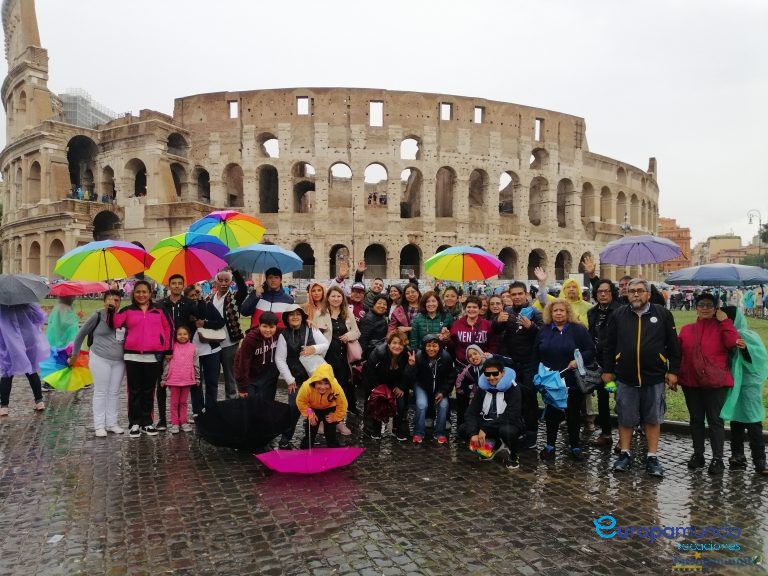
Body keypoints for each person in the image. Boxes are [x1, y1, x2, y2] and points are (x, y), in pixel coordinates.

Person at [603, 278, 681, 477]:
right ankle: (625, 453)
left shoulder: (662, 314)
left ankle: (652, 456)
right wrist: (607, 369)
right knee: (625, 417)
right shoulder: (619, 314)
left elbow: (673, 346)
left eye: (639, 291)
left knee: (653, 418)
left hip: (653, 376)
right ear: (626, 294)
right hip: (625, 376)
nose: (635, 294)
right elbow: (609, 345)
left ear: (648, 293)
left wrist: (673, 370)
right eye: (631, 291)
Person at [677, 293, 740, 475]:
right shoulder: (687, 329)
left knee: (715, 421)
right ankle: (698, 454)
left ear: (715, 309)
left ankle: (717, 458)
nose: (705, 308)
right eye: (701, 305)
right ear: (696, 307)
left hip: (716, 382)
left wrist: (725, 321)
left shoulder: (722, 328)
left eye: (709, 305)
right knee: (696, 420)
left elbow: (731, 343)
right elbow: (679, 353)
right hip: (691, 381)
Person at [533, 299, 595, 462]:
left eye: (562, 310)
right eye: (555, 311)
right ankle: (550, 446)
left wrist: (578, 359)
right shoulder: (544, 330)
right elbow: (536, 353)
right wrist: (537, 375)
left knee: (573, 414)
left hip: (572, 380)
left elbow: (590, 350)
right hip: (551, 381)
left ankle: (575, 446)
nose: (558, 313)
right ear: (550, 313)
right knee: (552, 414)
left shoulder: (578, 330)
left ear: (568, 312)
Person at [111, 280, 172, 437]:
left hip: (153, 355)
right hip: (132, 355)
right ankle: (135, 423)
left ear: (150, 293)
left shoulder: (159, 309)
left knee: (149, 390)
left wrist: (168, 349)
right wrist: (112, 310)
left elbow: (169, 328)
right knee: (134, 390)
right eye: (138, 292)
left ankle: (147, 422)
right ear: (133, 293)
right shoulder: (127, 310)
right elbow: (115, 323)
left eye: (144, 292)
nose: (141, 295)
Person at [720, 306, 768, 475]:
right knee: (736, 421)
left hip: (749, 385)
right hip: (733, 384)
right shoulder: (724, 333)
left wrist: (745, 348)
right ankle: (737, 455)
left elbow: (760, 357)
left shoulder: (748, 335)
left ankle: (760, 460)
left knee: (753, 422)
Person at [71, 290, 125, 436]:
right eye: (110, 299)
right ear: (104, 301)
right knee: (101, 391)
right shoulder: (98, 315)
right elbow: (80, 334)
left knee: (114, 392)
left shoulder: (122, 316)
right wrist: (75, 354)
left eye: (116, 300)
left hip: (119, 360)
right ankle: (99, 425)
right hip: (100, 357)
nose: (113, 302)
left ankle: (112, 423)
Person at [275, 304, 329, 449]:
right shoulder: (283, 335)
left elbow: (325, 344)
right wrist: (289, 379)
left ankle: (309, 439)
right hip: (296, 380)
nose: (295, 317)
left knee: (316, 409)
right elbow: (279, 359)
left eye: (298, 314)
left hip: (315, 377)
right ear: (287, 318)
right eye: (291, 314)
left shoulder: (311, 328)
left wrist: (313, 348)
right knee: (293, 409)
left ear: (302, 316)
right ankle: (286, 438)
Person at [499, 281, 543, 449]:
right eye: (513, 294)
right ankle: (517, 429)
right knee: (515, 399)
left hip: (530, 364)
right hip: (512, 364)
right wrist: (498, 322)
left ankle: (531, 434)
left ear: (526, 294)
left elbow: (542, 336)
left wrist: (531, 327)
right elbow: (497, 333)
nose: (516, 297)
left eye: (519, 294)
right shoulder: (508, 312)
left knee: (530, 399)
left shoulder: (536, 313)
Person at [459, 357, 523, 470]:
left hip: (506, 423)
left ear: (502, 373)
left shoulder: (514, 388)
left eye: (495, 374)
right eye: (487, 374)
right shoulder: (483, 388)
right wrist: (473, 433)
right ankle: (493, 445)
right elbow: (471, 412)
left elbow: (511, 415)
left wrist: (484, 429)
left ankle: (513, 455)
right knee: (464, 429)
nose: (491, 377)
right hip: (487, 422)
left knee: (507, 431)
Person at [313, 286, 361, 430]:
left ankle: (338, 420)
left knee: (339, 390)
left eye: (339, 296)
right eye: (333, 296)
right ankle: (321, 420)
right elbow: (313, 334)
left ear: (343, 298)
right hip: (325, 358)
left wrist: (348, 336)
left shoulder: (347, 313)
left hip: (342, 358)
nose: (336, 299)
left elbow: (357, 332)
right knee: (322, 388)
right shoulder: (320, 313)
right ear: (328, 298)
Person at [156, 273, 198, 431]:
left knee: (183, 384)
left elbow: (200, 317)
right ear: (169, 285)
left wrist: (199, 299)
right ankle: (162, 419)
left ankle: (183, 419)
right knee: (162, 382)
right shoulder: (160, 304)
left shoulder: (189, 303)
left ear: (183, 285)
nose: (177, 286)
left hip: (183, 348)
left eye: (180, 283)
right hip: (164, 347)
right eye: (174, 283)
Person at [586, 279, 621, 448]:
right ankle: (606, 433)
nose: (603, 294)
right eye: (600, 291)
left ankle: (625, 435)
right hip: (600, 364)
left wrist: (593, 276)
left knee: (620, 399)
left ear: (612, 293)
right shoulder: (592, 312)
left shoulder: (620, 310)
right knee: (603, 399)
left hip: (617, 365)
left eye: (607, 291)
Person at [0, 303, 49, 415]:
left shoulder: (2, 305)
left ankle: (4, 406)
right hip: (28, 340)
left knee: (7, 372)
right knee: (31, 370)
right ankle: (39, 401)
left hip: (9, 343)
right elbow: (39, 317)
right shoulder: (26, 303)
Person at [362, 329, 410, 440]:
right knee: (378, 400)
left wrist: (402, 385)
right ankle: (376, 428)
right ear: (388, 343)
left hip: (396, 383)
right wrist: (376, 389)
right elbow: (370, 373)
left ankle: (397, 428)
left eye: (400, 344)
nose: (397, 346)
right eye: (394, 343)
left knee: (401, 403)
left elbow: (409, 376)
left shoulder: (408, 354)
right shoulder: (378, 353)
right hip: (377, 381)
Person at [209, 269, 248, 401]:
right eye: (221, 280)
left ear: (231, 282)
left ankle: (231, 402)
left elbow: (243, 289)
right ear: (216, 282)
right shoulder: (209, 298)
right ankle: (211, 404)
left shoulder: (234, 298)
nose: (223, 283)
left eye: (227, 281)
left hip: (229, 344)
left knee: (230, 376)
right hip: (213, 343)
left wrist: (236, 272)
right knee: (212, 376)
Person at [406, 334, 453, 444]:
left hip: (440, 387)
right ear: (424, 346)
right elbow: (410, 378)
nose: (431, 349)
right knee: (422, 404)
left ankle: (440, 433)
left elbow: (451, 377)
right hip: (422, 385)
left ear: (439, 346)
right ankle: (418, 432)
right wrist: (411, 366)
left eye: (434, 345)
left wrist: (443, 391)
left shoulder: (446, 357)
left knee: (444, 404)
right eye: (428, 345)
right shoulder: (418, 356)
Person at [295, 363, 348, 449]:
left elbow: (343, 403)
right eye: (319, 383)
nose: (323, 387)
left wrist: (336, 416)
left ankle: (334, 449)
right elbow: (301, 401)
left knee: (330, 432)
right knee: (310, 430)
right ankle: (305, 449)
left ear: (330, 383)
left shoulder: (336, 387)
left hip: (329, 408)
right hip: (312, 408)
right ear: (315, 382)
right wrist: (310, 414)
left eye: (326, 383)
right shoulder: (306, 386)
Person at [161, 325, 200, 433]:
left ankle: (183, 422)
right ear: (175, 335)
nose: (182, 336)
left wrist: (197, 378)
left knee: (183, 402)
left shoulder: (193, 348)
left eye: (185, 334)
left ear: (189, 335)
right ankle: (175, 424)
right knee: (174, 403)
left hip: (187, 379)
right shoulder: (172, 347)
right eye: (179, 334)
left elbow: (196, 364)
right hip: (174, 380)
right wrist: (164, 378)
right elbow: (167, 364)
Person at [233, 311, 280, 401]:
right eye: (264, 326)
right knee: (250, 405)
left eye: (271, 327)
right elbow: (242, 364)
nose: (268, 330)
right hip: (250, 378)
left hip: (266, 377)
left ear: (276, 327)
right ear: (259, 325)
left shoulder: (278, 333)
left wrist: (306, 322)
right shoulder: (250, 339)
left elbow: (292, 327)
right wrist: (242, 388)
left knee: (266, 405)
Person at [448, 295, 499, 367]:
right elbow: (453, 345)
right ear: (465, 308)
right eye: (469, 307)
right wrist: (447, 339)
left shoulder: (487, 324)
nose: (471, 309)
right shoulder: (457, 324)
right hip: (462, 365)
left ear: (479, 309)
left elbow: (493, 344)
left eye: (475, 307)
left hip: (483, 364)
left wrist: (489, 354)